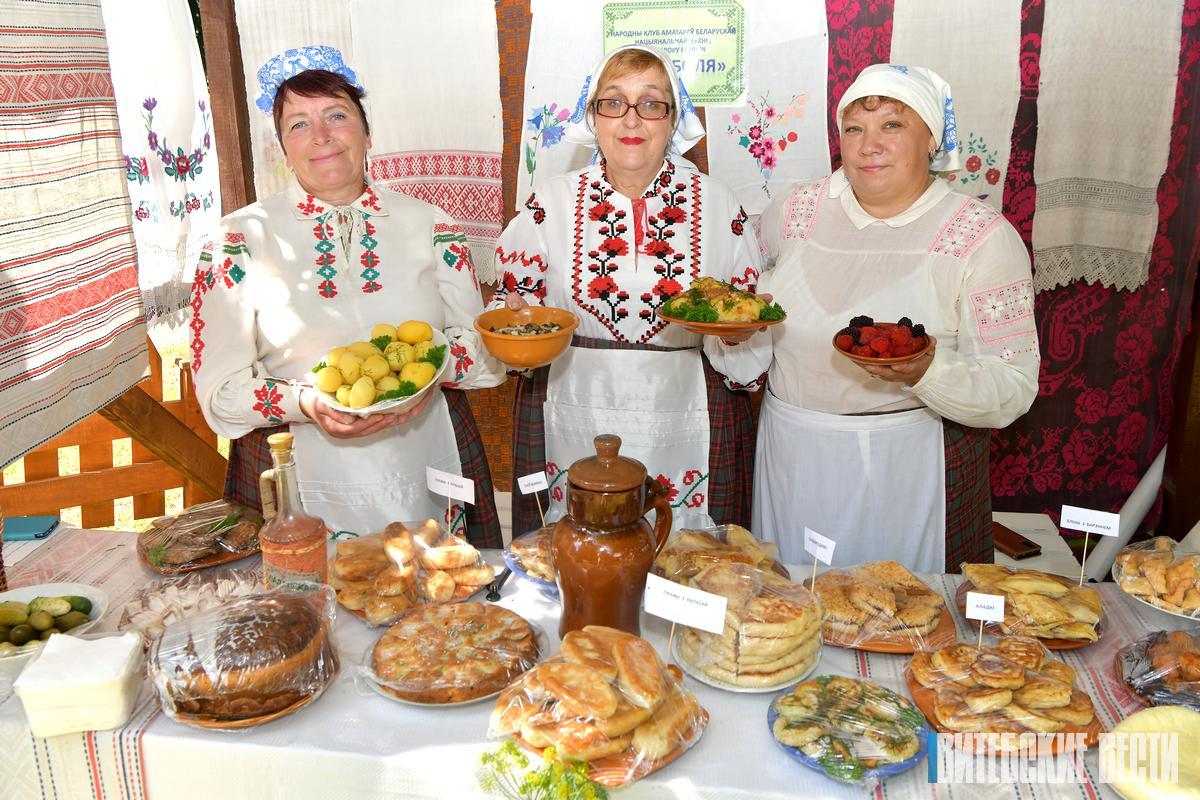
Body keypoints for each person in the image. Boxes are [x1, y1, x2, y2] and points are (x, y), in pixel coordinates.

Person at [190, 46, 504, 546]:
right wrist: (307, 402)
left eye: (337, 115)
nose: (321, 137)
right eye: (299, 124)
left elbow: (485, 354)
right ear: (281, 150)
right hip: (296, 474)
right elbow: (220, 395)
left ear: (366, 133)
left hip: (425, 457)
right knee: (309, 617)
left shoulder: (431, 224)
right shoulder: (237, 239)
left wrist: (425, 377)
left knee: (445, 613)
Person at [732, 64, 1039, 572]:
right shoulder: (793, 212)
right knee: (786, 617)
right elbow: (744, 305)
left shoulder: (980, 236)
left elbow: (1013, 385)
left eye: (892, 126)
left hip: (904, 465)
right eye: (854, 128)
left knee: (898, 621)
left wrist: (927, 372)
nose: (867, 145)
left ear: (931, 140)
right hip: (790, 457)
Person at [494, 44, 763, 537]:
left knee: (692, 561)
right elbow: (513, 313)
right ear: (592, 117)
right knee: (575, 558)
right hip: (571, 409)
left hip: (687, 412)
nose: (632, 119)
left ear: (673, 119)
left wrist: (739, 335)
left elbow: (746, 319)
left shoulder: (716, 202)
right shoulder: (551, 201)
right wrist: (516, 321)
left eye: (651, 103)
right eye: (613, 102)